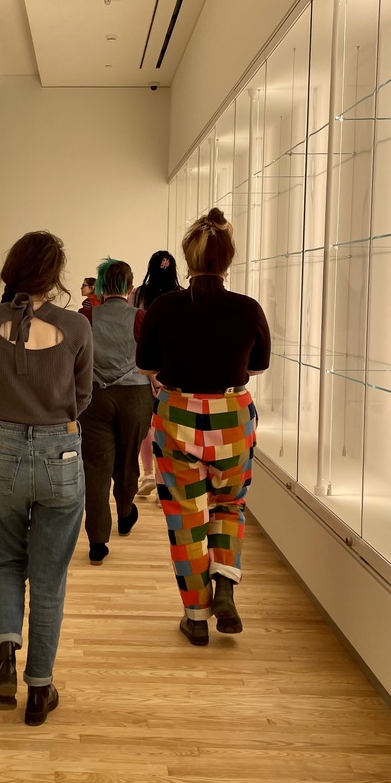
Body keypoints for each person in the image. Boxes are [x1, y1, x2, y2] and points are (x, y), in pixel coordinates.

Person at [0, 231, 93, 726]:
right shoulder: (77, 326)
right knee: (51, 576)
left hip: (1, 449)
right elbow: (83, 398)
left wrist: (4, 425)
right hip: (60, 451)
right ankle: (39, 690)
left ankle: (5, 655)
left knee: (7, 561)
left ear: (11, 268)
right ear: (55, 275)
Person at [136, 209, 271, 646]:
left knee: (186, 518)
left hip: (177, 415)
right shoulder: (248, 309)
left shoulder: (163, 307)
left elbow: (146, 363)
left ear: (188, 258)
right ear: (229, 259)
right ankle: (226, 584)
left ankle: (196, 616)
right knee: (229, 505)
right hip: (232, 416)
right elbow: (259, 364)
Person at [79, 258, 153, 565]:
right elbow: (150, 360)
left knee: (95, 468)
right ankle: (125, 512)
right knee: (127, 459)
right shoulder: (141, 317)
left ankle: (97, 541)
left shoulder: (86, 315)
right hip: (135, 396)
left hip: (94, 397)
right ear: (131, 287)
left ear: (100, 286)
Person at [130, 251, 183, 497]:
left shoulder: (138, 294)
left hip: (143, 365)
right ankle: (164, 483)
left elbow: (131, 330)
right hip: (174, 367)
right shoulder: (181, 295)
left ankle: (148, 474)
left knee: (146, 423)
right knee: (168, 427)